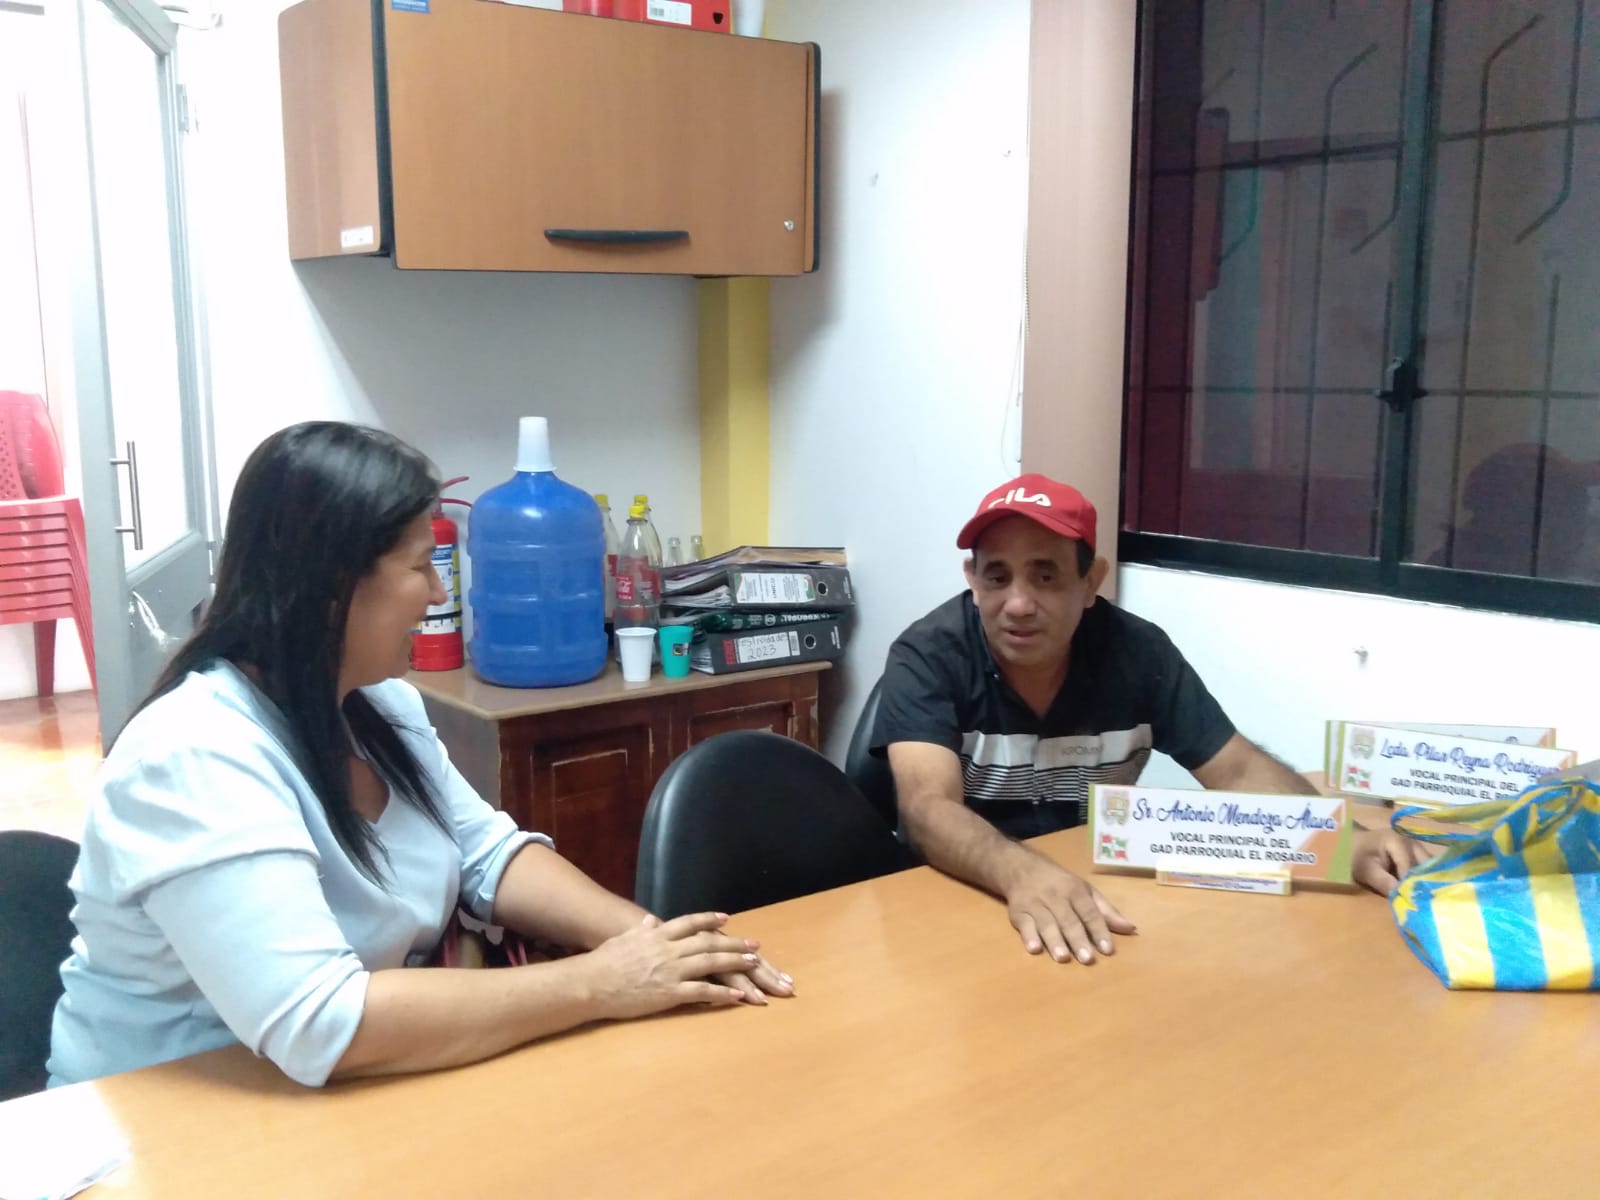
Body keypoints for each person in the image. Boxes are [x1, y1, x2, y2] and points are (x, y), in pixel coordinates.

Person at [48, 422, 792, 1089]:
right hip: (169, 1135)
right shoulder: (192, 756)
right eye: (420, 565)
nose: (439, 592)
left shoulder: (380, 705)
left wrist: (655, 946)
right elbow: (320, 1021)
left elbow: (488, 855)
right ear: (334, 585)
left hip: (345, 1093)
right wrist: (600, 983)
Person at [871, 473, 1433, 968]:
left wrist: (1343, 842)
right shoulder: (928, 655)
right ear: (972, 580)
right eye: (997, 578)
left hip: (1094, 897)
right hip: (957, 899)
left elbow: (1236, 770)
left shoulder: (1139, 654)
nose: (1018, 603)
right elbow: (927, 808)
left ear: (1091, 583)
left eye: (1045, 577)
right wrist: (1023, 874)